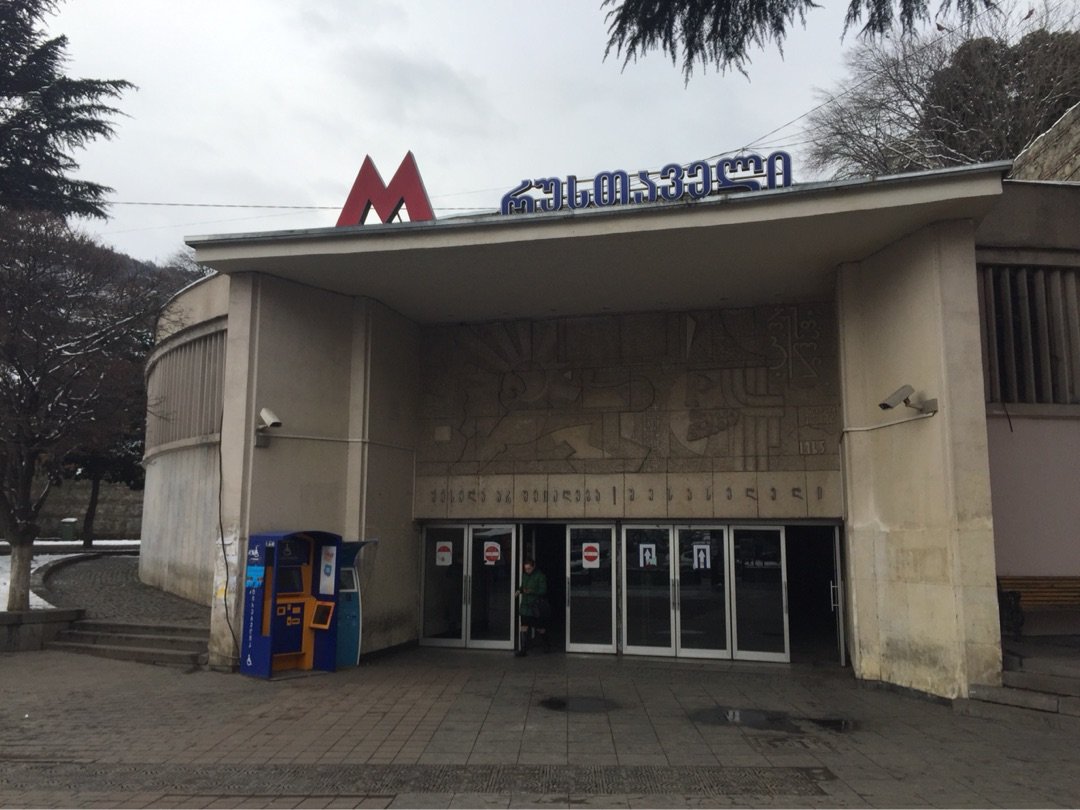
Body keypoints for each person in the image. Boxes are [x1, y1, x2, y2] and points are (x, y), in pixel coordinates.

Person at [515, 558, 548, 656]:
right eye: (525, 569)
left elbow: (543, 590)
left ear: (533, 567)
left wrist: (531, 591)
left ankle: (546, 644)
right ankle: (523, 650)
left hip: (535, 606)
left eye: (529, 568)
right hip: (525, 606)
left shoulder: (540, 576)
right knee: (523, 627)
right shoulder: (525, 576)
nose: (527, 571)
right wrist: (519, 590)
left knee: (539, 628)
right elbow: (523, 586)